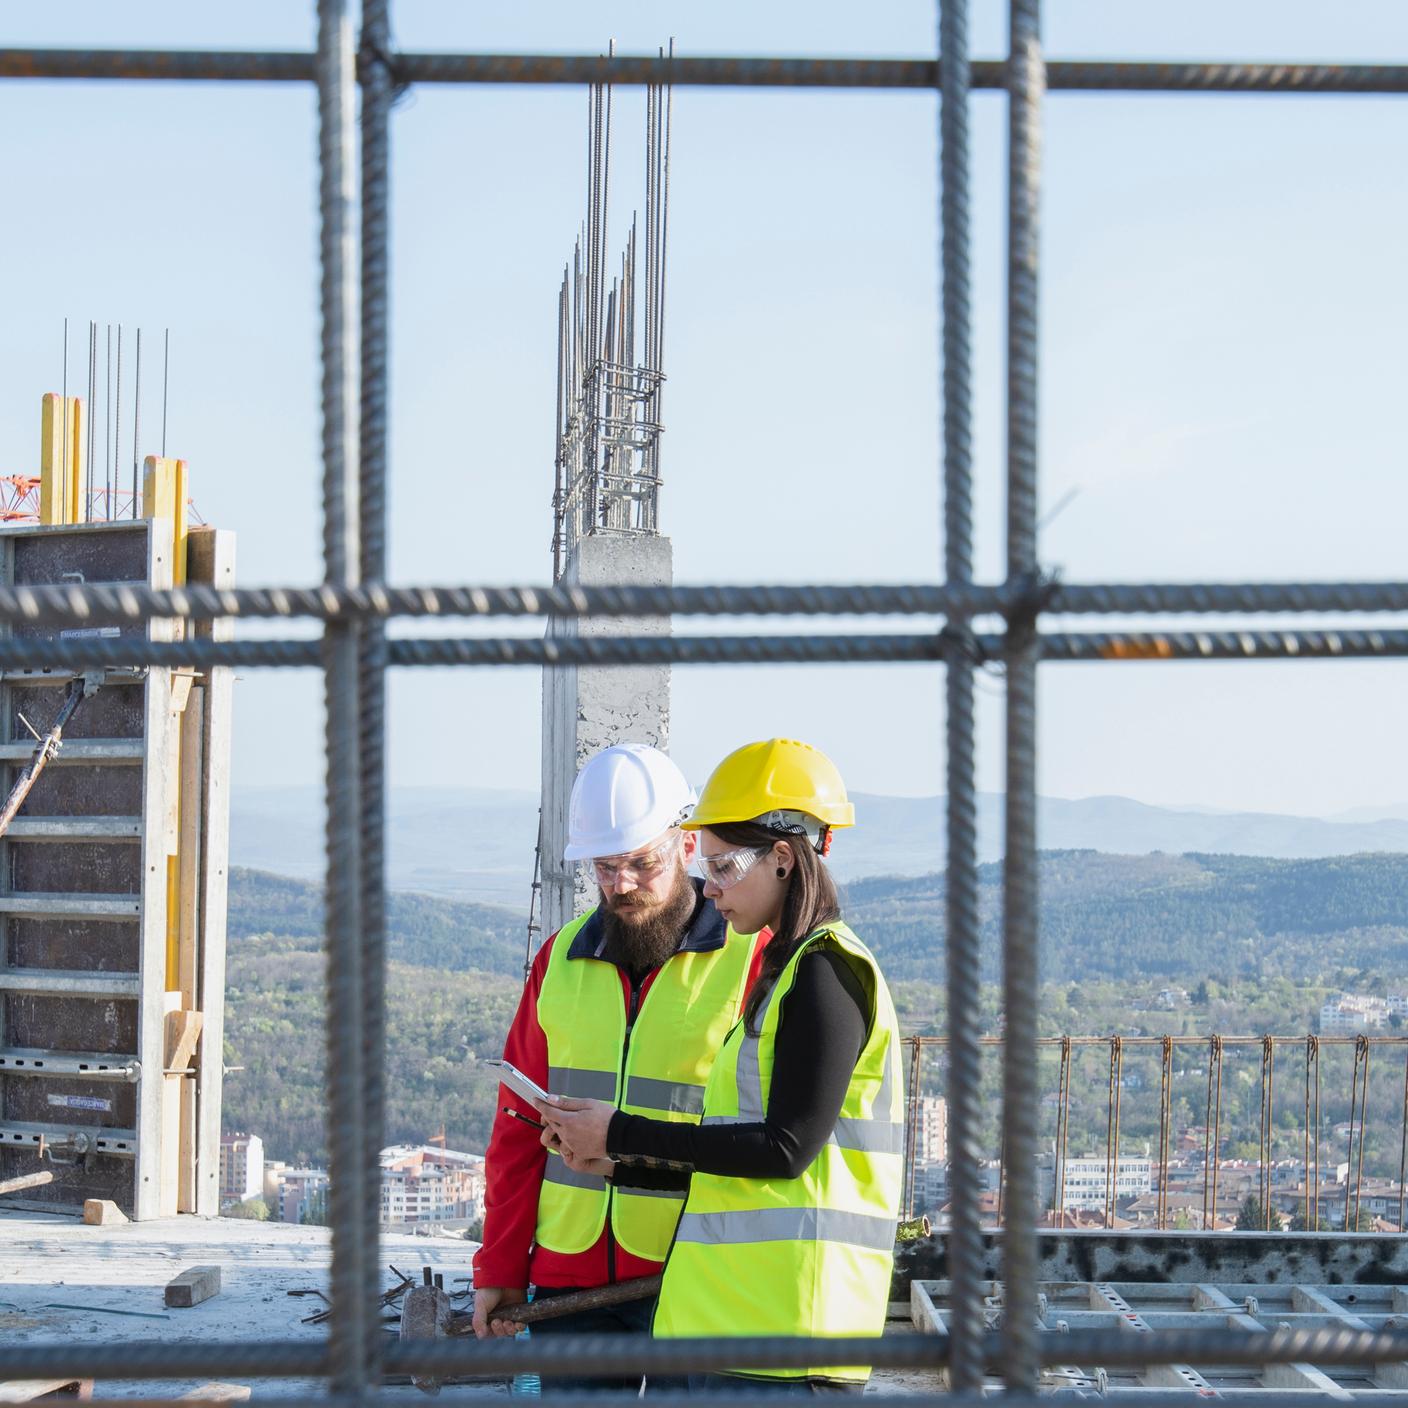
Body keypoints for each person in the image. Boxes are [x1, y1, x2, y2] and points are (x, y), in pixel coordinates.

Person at [540, 738, 904, 1395]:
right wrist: (619, 1165)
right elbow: (734, 1175)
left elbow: (785, 1149)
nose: (710, 888)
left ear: (786, 859)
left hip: (787, 1345)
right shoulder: (785, 971)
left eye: (726, 867)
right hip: (740, 1334)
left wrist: (619, 1133)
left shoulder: (826, 975)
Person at [471, 742, 769, 1395]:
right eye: (605, 866)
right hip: (569, 1276)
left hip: (691, 1268)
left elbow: (767, 1137)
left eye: (641, 862)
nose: (621, 884)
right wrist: (499, 1267)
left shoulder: (750, 960)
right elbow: (518, 1127)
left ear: (687, 845)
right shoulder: (561, 960)